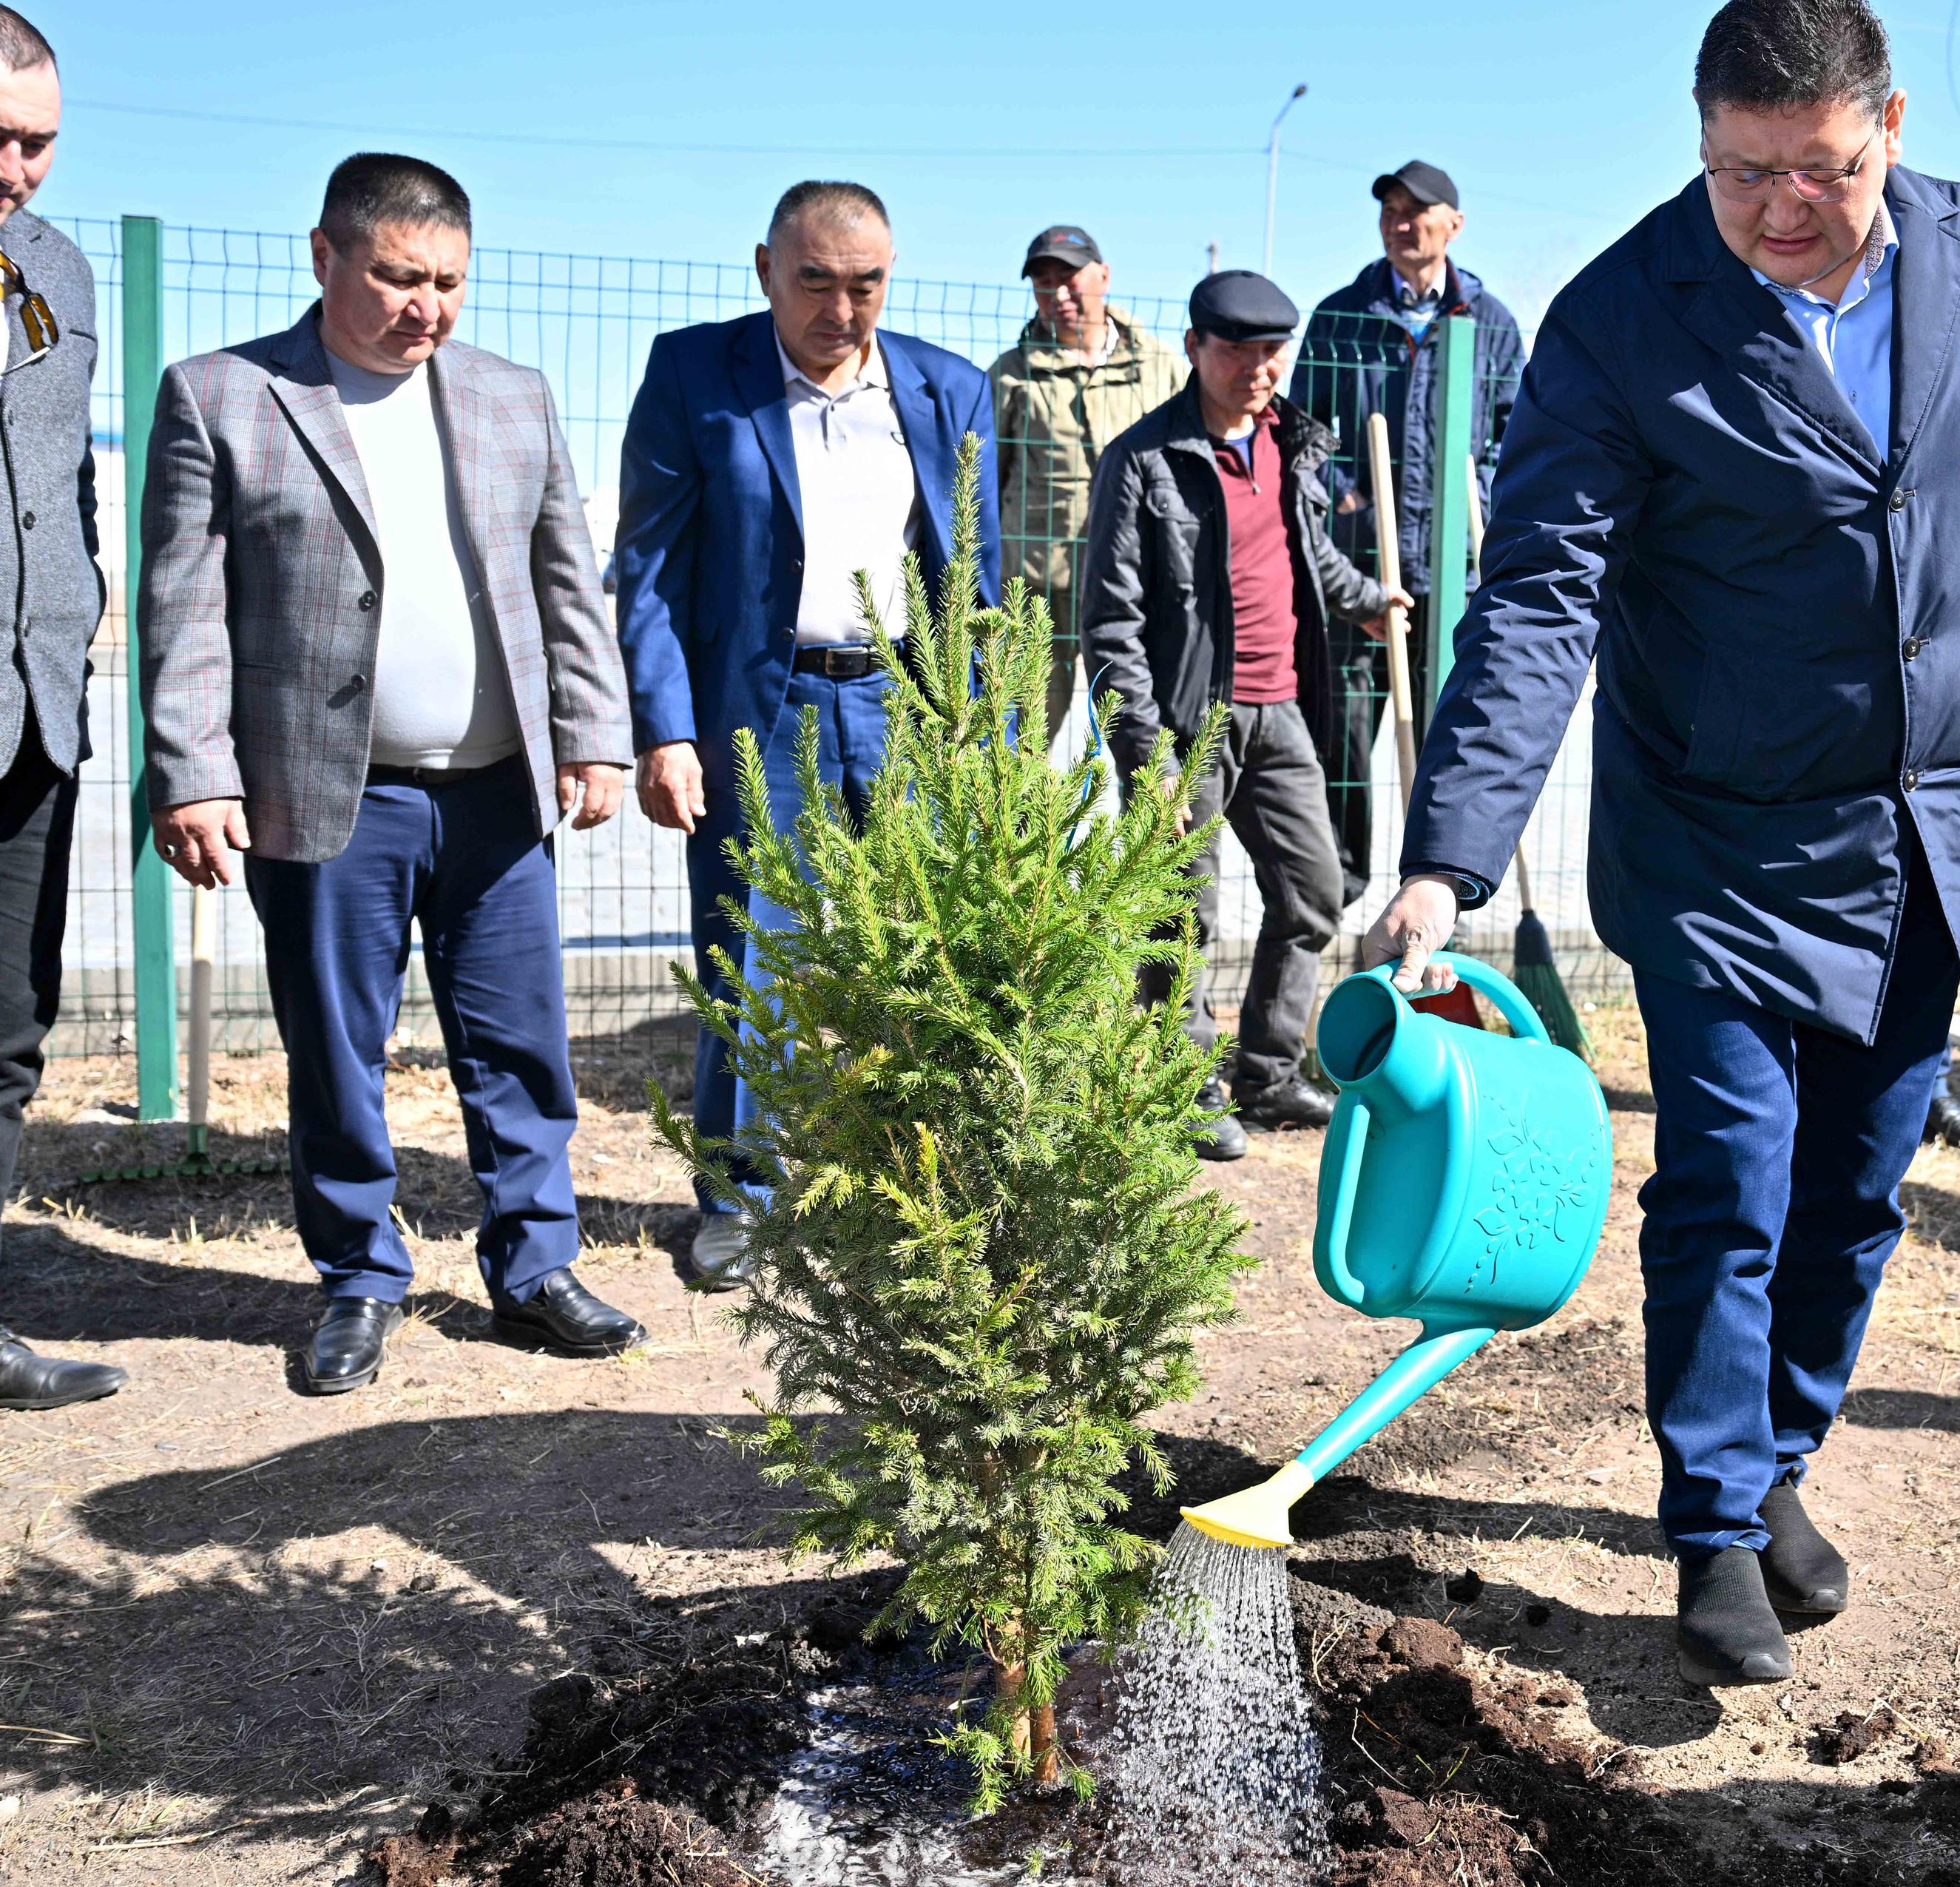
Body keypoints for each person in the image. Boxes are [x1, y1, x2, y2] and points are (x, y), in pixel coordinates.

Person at [1362, 0, 1960, 1684]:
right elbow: (1540, 597)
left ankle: (1783, 1463)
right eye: (1737, 171)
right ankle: (1710, 1519)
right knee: (1729, 1185)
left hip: (1927, 820)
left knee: (1856, 1188)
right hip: (1716, 832)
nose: (1772, 210)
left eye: (1814, 170)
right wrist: (1449, 857)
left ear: (1887, 130)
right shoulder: (1626, 317)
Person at [141, 153, 641, 1395]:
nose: (428, 306)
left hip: (494, 793)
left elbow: (567, 584)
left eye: (450, 282)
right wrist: (192, 769)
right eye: (399, 276)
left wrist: (593, 731)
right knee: (336, 1048)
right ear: (325, 256)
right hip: (327, 795)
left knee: (522, 1044)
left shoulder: (512, 398)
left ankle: (534, 1269)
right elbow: (183, 607)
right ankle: (360, 1275)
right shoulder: (224, 396)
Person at [615, 180, 1000, 1292]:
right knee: (756, 951)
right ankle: (744, 1200)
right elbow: (645, 573)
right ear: (765, 270)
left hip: (906, 705)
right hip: (763, 706)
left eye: (866, 284)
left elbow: (973, 575)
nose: (843, 310)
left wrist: (986, 731)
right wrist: (664, 728)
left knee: (921, 951)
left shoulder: (947, 389)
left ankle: (908, 1189)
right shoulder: (698, 377)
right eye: (816, 282)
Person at [1084, 271, 1408, 1152]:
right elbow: (1110, 624)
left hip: (1281, 714)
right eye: (1239, 350)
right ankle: (1180, 1088)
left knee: (1312, 893)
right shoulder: (1146, 461)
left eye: (1272, 352)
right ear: (1194, 348)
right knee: (1178, 914)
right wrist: (1142, 755)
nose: (1259, 369)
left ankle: (1268, 1073)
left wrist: (1367, 599)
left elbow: (1305, 556)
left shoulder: (1291, 444)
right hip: (1187, 726)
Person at [1290, 161, 1524, 905]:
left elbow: (1514, 436)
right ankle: (1342, 890)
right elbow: (1302, 432)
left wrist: (1479, 493)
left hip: (1453, 567)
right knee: (1348, 740)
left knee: (1448, 739)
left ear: (1453, 224)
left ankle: (1431, 892)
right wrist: (1345, 497)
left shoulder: (1489, 323)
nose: (1400, 221)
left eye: (1416, 210)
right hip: (1363, 567)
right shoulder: (1342, 315)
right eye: (1389, 209)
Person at [0, 5, 120, 1411]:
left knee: (8, 1031)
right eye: (0, 137)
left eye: (38, 141)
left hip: (34, 711)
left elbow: (65, 487)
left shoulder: (57, 270)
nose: (19, 168)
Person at [985, 225, 1186, 737]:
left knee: (1145, 737)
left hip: (1137, 589)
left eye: (1070, 277)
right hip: (1037, 594)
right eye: (1043, 281)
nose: (1058, 294)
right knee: (1021, 739)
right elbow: (986, 480)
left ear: (1104, 275)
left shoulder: (1160, 367)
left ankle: (1152, 822)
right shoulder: (1011, 376)